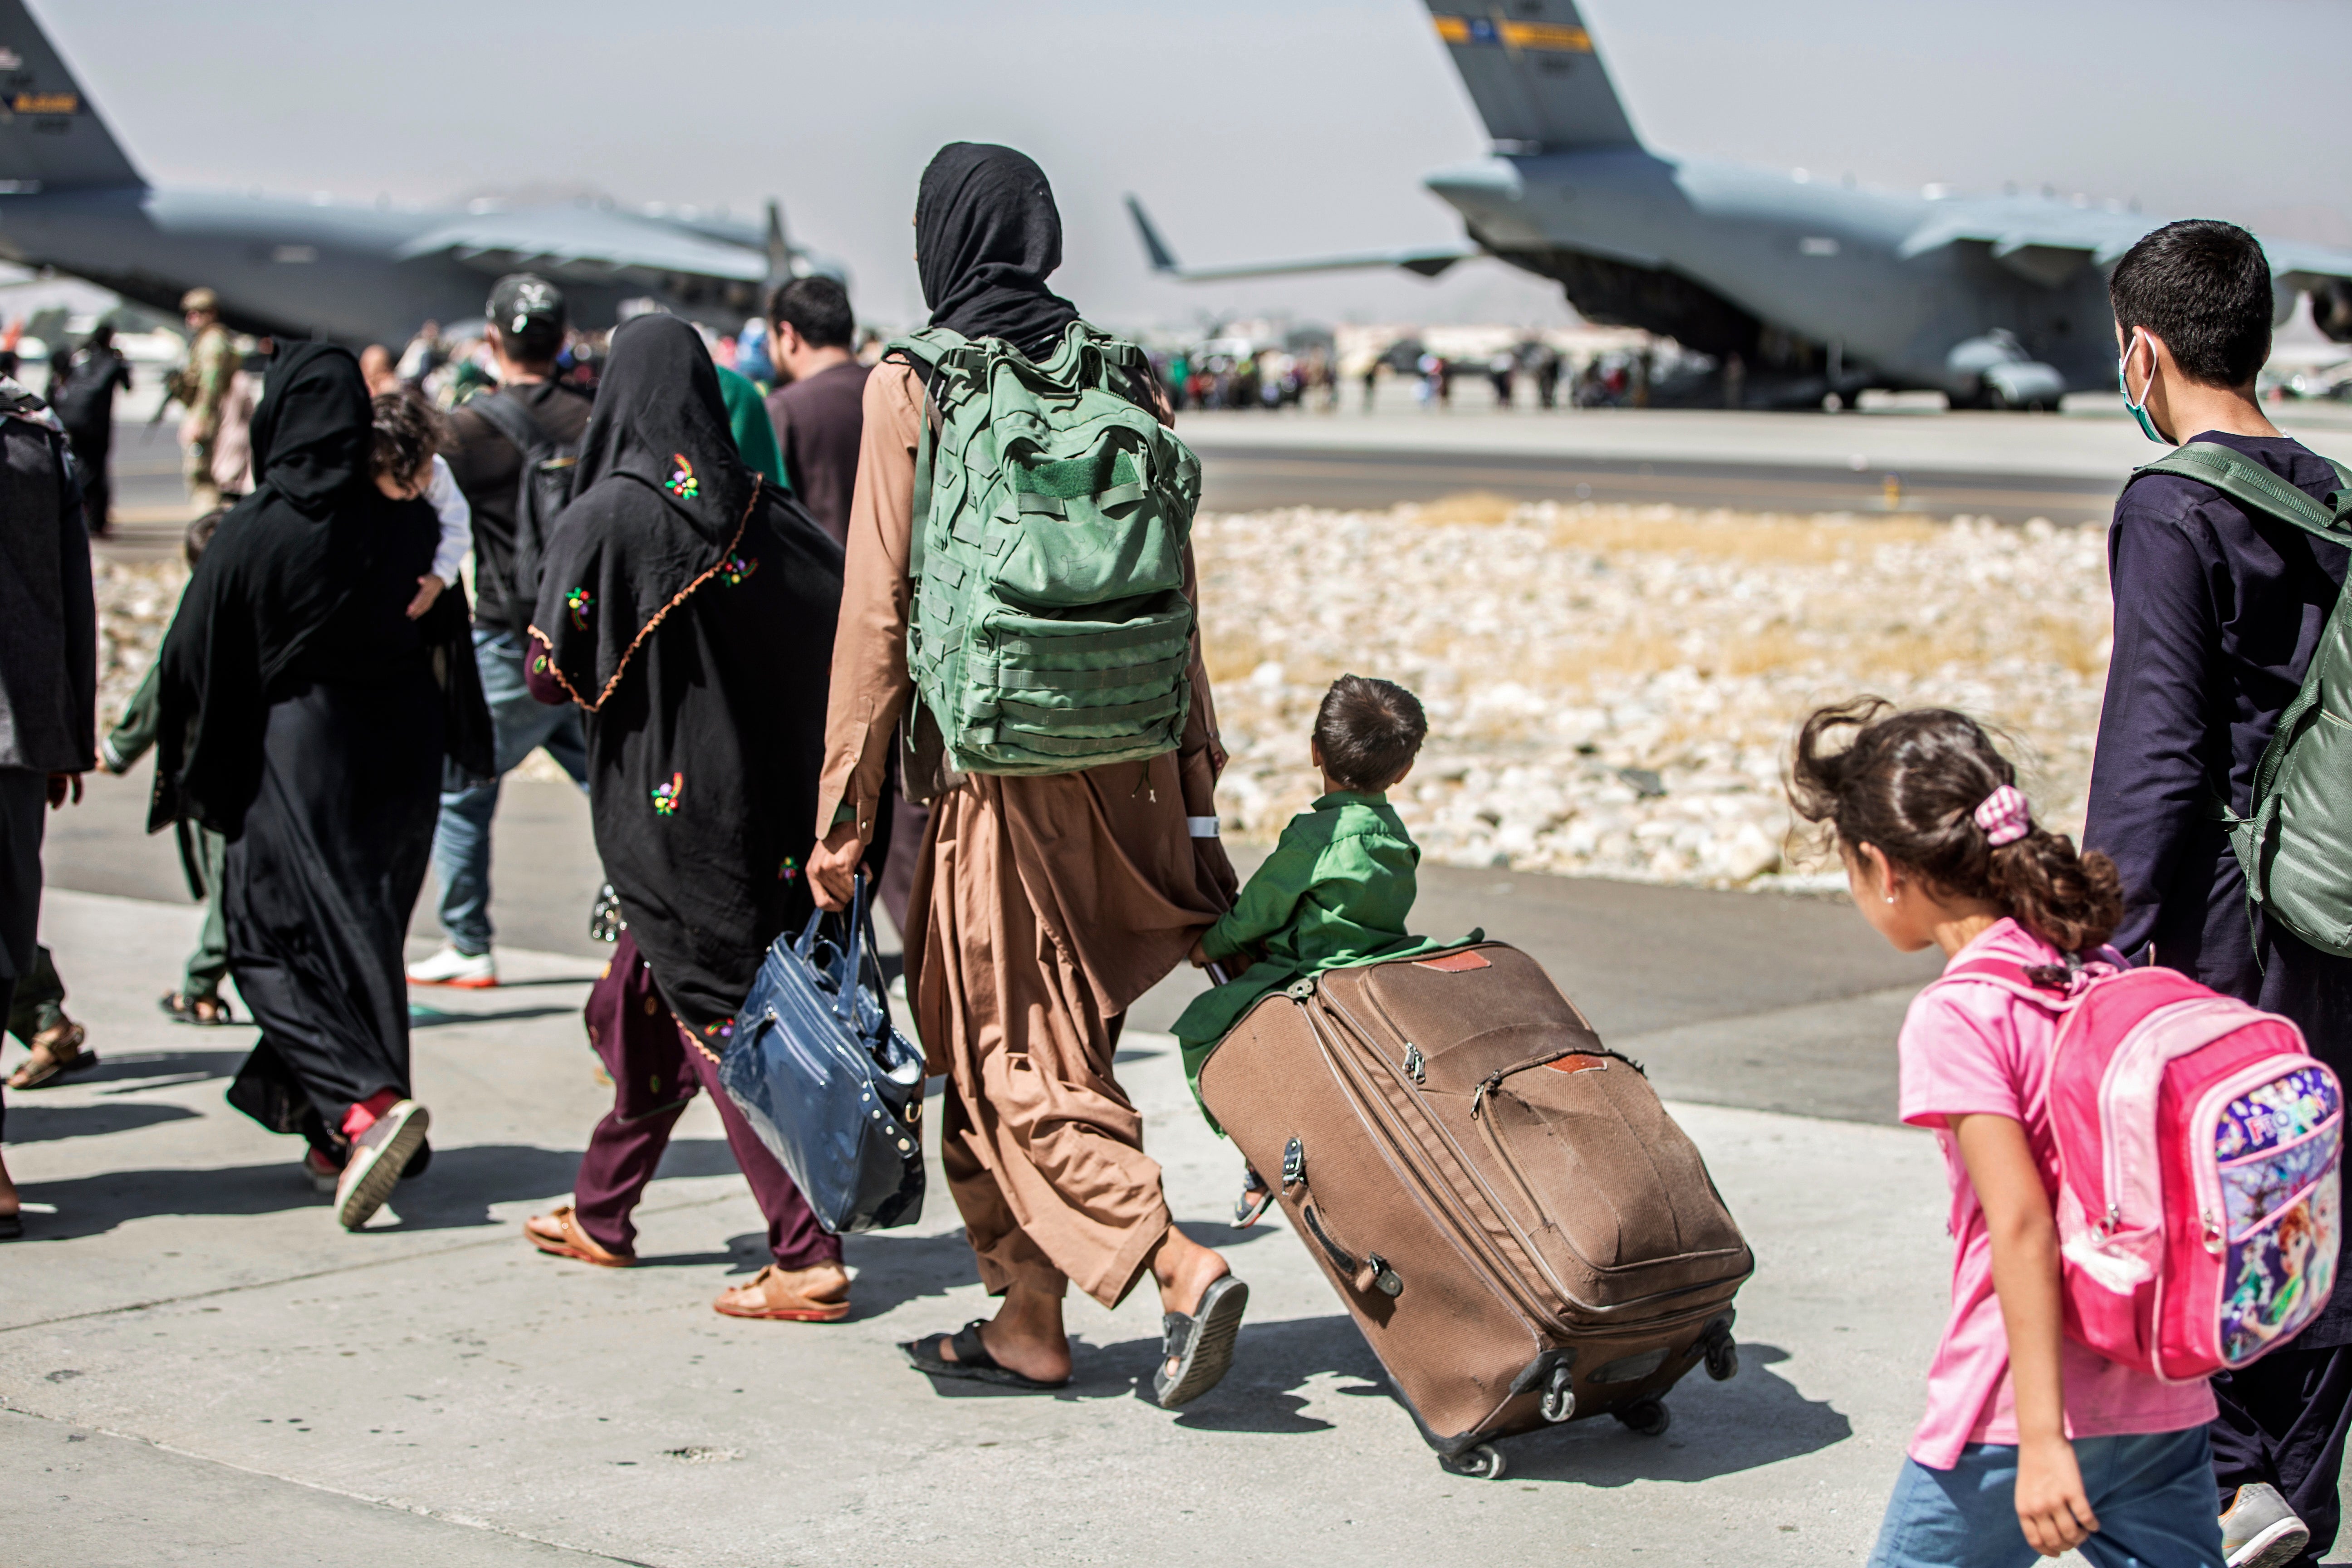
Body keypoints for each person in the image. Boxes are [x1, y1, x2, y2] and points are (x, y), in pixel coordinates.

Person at [805, 142, 1246, 1406]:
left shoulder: (917, 385)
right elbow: (1181, 597)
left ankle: (1170, 1262)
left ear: (940, 240)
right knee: (1052, 1040)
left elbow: (875, 617)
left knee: (1005, 1052)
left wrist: (842, 810)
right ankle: (1026, 1318)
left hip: (1000, 777)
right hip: (1135, 767)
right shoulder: (1122, 372)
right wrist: (1199, 787)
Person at [1786, 700, 2226, 1568]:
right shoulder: (2089, 969)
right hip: (2159, 1390)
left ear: (1881, 867)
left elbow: (2020, 1225)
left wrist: (2041, 1440)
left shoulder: (1959, 1014)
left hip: (2012, 1410)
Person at [2081, 219, 2352, 1568]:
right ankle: (2298, 1486)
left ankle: (2235, 1491)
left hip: (2225, 931)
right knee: (2312, 1199)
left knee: (2207, 1205)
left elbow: (2158, 750)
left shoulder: (2173, 504)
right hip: (2337, 916)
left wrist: (2104, 947)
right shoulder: (2335, 498)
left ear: (2145, 348)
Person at [515, 314, 853, 1322]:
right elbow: (840, 618)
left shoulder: (609, 516)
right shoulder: (765, 509)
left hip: (668, 819)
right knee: (645, 1002)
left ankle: (805, 1254)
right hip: (772, 810)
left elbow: (547, 673)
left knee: (714, 1014)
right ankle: (601, 1209)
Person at [152, 345, 489, 1229]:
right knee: (358, 939)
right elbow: (446, 619)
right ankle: (330, 1140)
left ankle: (364, 1109)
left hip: (306, 756)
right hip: (406, 758)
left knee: (266, 941)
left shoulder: (267, 524)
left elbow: (193, 654)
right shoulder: (407, 513)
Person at [408, 275, 593, 990]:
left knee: (465, 785)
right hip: (587, 636)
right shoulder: (597, 418)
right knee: (614, 786)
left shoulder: (464, 429)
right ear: (563, 338)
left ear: (492, 340)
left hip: (507, 636)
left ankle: (468, 940)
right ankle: (642, 926)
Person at [1173, 676, 1448, 1132]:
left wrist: (1209, 947)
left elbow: (1257, 912)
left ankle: (1256, 1139)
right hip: (1380, 960)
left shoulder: (1312, 838)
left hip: (1312, 969)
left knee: (1201, 1029)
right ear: (1404, 772)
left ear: (1315, 751)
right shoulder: (1396, 833)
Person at [0, 372, 97, 1240]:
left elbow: (71, 593)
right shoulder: (37, 443)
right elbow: (73, 595)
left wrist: (67, 725)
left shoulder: (39, 442)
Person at [102, 511, 237, 1027]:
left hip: (213, 776)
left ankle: (202, 984)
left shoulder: (201, 618)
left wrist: (118, 750)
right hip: (251, 775)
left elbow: (161, 687)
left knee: (228, 887)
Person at [762, 275, 869, 547]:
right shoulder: (898, 390)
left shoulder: (784, 409)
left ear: (788, 336)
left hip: (823, 580)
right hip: (905, 581)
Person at [48, 323, 132, 537]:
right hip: (97, 425)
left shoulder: (81, 356)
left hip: (72, 420)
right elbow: (128, 386)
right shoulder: (112, 360)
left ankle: (78, 513)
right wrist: (122, 361)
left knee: (78, 465)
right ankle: (94, 519)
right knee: (96, 471)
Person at [173, 288, 239, 514]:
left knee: (200, 476)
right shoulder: (206, 340)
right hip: (201, 412)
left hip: (204, 414)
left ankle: (206, 530)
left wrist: (200, 420)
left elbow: (210, 384)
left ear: (211, 313)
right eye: (189, 313)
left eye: (198, 312)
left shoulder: (213, 342)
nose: (192, 318)